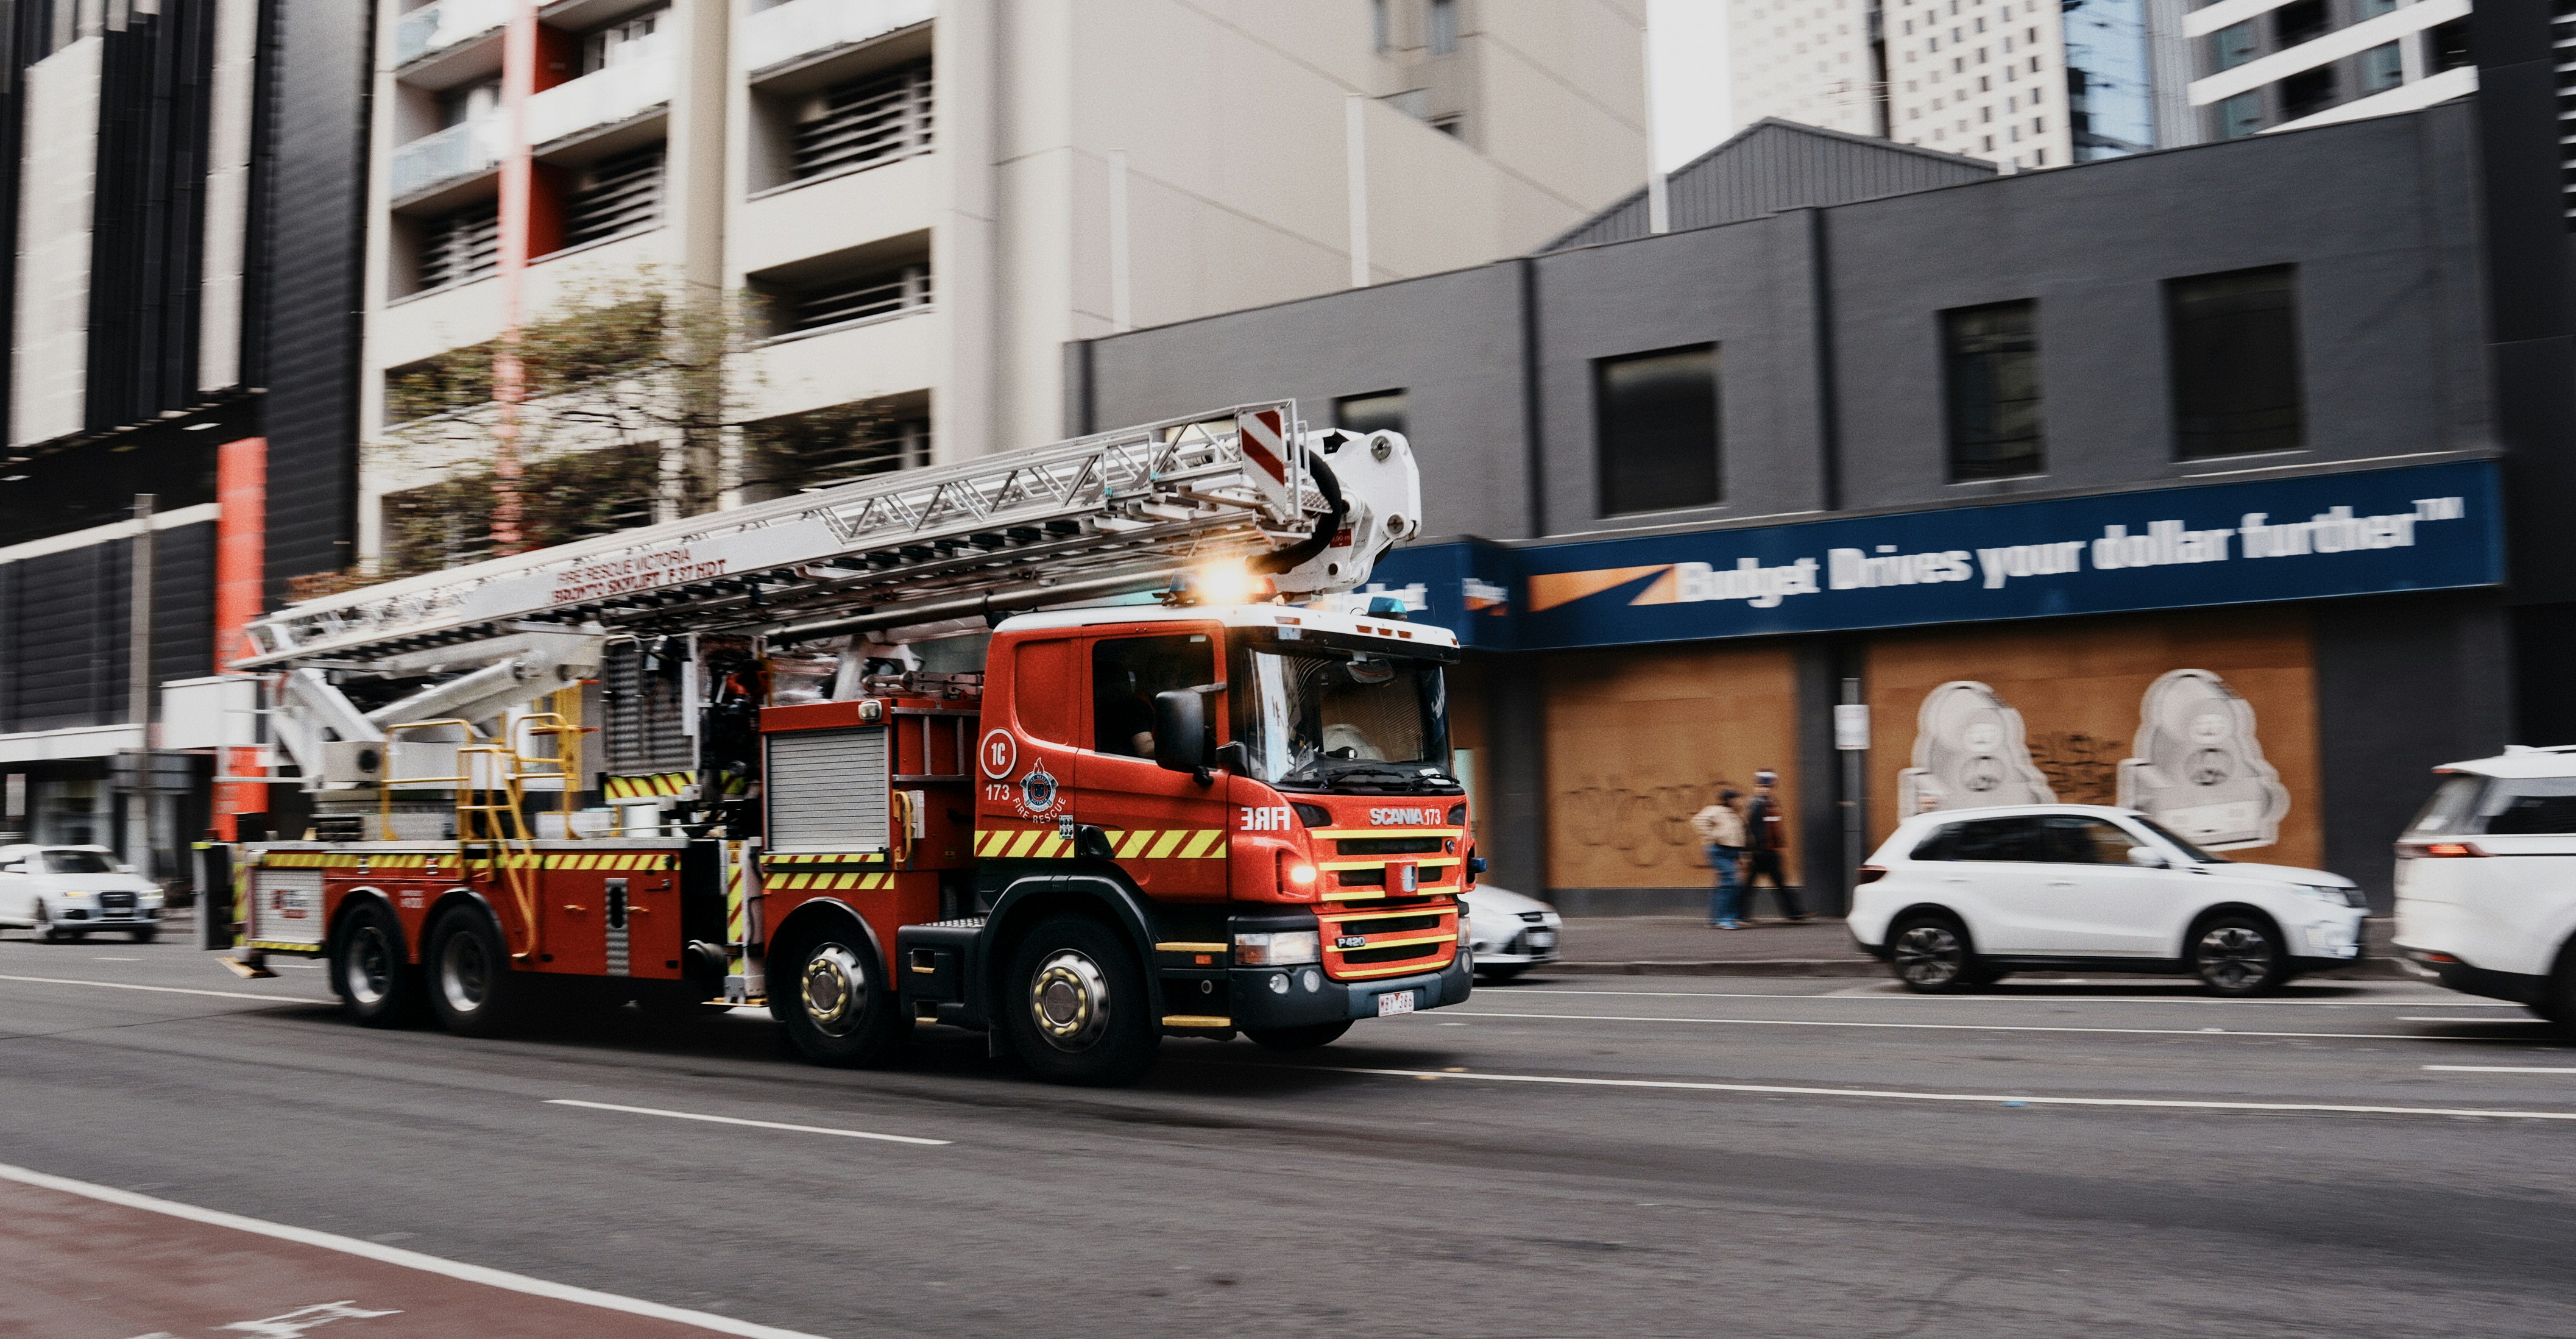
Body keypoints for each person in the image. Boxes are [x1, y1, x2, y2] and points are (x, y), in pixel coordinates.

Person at [1742, 770, 1808, 923]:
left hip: (1771, 851)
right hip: (1759, 853)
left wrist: (1778, 844)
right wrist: (1748, 852)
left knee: (1780, 883)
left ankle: (1794, 913)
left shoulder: (1772, 804)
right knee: (1750, 886)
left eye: (1768, 787)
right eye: (1762, 786)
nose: (1765, 789)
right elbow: (1748, 829)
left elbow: (1775, 826)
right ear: (1757, 786)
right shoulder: (1754, 805)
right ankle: (1741, 914)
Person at [1690, 788, 1749, 928]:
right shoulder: (1716, 810)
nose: (1741, 801)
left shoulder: (1735, 815)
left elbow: (1739, 837)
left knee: (1732, 884)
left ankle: (1720, 919)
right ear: (1730, 800)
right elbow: (1698, 820)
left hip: (1732, 852)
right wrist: (1712, 836)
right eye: (1738, 798)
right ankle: (1723, 919)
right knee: (1729, 881)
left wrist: (1741, 854)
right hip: (1719, 850)